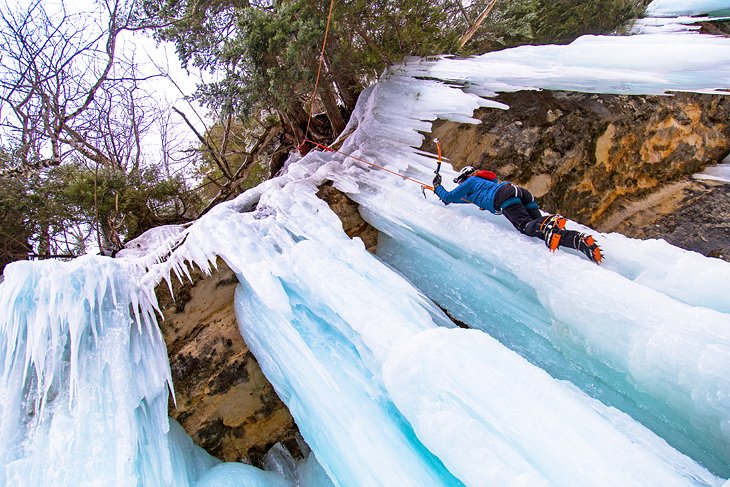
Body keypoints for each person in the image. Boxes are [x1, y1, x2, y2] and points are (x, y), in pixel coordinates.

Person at [432, 166, 603, 263]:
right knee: (542, 232)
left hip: (503, 197)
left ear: (465, 177)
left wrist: (437, 186)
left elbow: (448, 198)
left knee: (525, 227)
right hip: (519, 192)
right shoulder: (484, 183)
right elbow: (464, 200)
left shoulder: (470, 182)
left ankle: (550, 222)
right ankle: (579, 241)